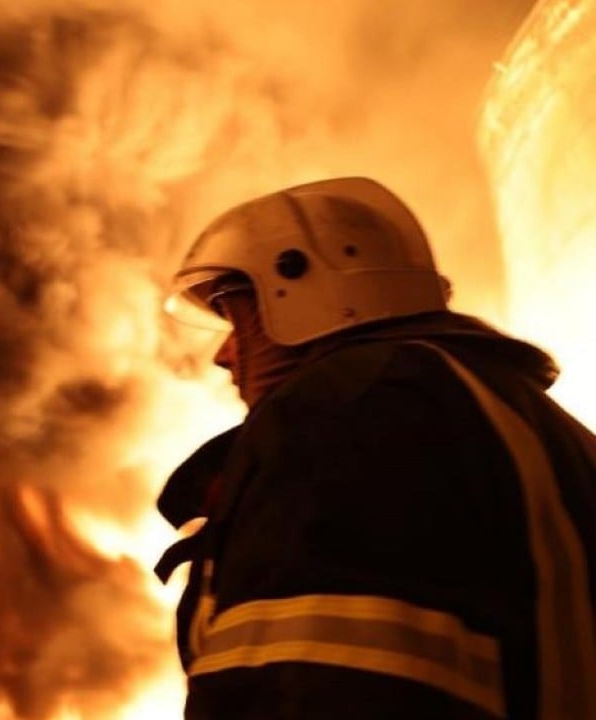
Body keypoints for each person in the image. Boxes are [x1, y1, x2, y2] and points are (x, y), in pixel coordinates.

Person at [155, 177, 596, 719]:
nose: (223, 355)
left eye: (235, 313)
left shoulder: (343, 412)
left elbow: (312, 688)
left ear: (299, 286)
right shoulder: (532, 421)